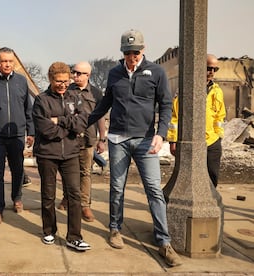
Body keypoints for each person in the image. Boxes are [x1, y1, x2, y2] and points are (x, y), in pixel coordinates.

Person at [88, 30, 182, 266]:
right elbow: (105, 104)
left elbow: (166, 105)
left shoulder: (156, 72)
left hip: (145, 140)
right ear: (122, 52)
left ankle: (164, 242)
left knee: (153, 190)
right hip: (118, 139)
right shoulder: (114, 74)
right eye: (127, 53)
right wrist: (81, 123)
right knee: (117, 187)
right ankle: (115, 229)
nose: (131, 57)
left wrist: (161, 134)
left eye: (135, 52)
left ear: (143, 49)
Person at [33, 61, 91, 251]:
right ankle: (49, 230)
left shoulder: (75, 97)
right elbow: (47, 131)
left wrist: (60, 121)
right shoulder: (41, 100)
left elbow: (83, 122)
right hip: (48, 154)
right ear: (51, 79)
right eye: (59, 81)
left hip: (71, 154)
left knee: (74, 194)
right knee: (48, 194)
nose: (63, 85)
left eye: (66, 81)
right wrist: (70, 129)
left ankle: (74, 236)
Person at [0, 47, 34, 226]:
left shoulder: (21, 81)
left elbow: (28, 108)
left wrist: (31, 131)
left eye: (10, 61)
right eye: (4, 61)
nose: (7, 64)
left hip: (17, 133)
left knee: (18, 169)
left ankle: (17, 198)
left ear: (14, 62)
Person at [57, 61, 106, 223]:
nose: (75, 76)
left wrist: (102, 139)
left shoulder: (96, 93)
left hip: (88, 138)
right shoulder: (67, 90)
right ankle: (67, 198)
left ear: (88, 75)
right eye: (74, 72)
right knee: (67, 171)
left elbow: (100, 118)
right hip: (69, 137)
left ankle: (85, 205)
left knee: (85, 172)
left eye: (79, 73)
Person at [167, 54, 226, 188]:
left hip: (212, 141)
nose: (211, 72)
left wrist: (219, 136)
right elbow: (175, 117)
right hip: (190, 140)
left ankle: (210, 201)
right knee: (189, 177)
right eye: (208, 68)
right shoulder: (185, 90)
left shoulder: (217, 91)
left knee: (212, 175)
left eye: (215, 69)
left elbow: (220, 116)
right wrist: (173, 141)